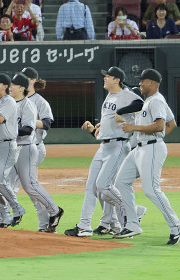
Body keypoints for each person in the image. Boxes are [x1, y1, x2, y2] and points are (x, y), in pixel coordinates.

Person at [64, 66, 144, 237]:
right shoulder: (110, 95)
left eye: (108, 76)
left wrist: (121, 111)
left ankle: (133, 211)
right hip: (103, 146)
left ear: (117, 80)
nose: (104, 78)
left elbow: (140, 104)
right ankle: (84, 226)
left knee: (104, 186)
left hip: (118, 146)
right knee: (91, 187)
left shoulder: (126, 94)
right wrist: (94, 128)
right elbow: (108, 121)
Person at [113, 69, 180, 245]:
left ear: (152, 83)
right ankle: (132, 223)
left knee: (151, 190)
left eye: (143, 81)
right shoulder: (151, 101)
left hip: (150, 149)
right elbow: (172, 124)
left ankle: (176, 225)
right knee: (121, 182)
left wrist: (138, 130)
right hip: (140, 149)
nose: (140, 83)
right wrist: (155, 137)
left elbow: (160, 125)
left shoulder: (156, 101)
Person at [7, 72, 64, 233]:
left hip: (34, 146)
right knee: (27, 188)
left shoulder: (39, 102)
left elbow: (46, 124)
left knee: (26, 186)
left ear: (32, 81)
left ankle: (11, 216)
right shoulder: (14, 100)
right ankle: (45, 225)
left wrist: (29, 121)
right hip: (18, 147)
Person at [0, 73, 26, 228]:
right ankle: (5, 215)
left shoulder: (9, 102)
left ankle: (17, 207)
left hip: (7, 146)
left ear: (5, 86)